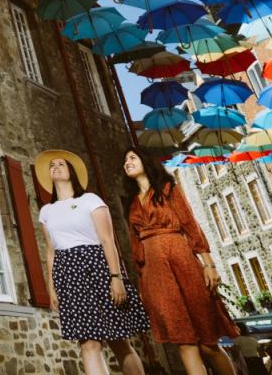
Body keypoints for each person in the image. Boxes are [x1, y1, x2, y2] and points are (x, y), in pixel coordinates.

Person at [122, 149, 238, 375]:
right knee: (184, 343)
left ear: (146, 161)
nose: (127, 162)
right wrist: (143, 281)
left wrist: (208, 264)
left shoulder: (169, 189)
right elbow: (135, 244)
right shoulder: (131, 203)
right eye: (125, 160)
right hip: (156, 274)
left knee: (208, 344)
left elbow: (190, 225)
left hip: (182, 261)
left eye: (132, 158)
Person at [35, 149, 151, 375]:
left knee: (119, 340)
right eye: (52, 166)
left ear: (72, 172)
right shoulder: (46, 211)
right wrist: (51, 287)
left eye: (61, 164)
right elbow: (50, 252)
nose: (55, 167)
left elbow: (108, 240)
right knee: (88, 343)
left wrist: (116, 278)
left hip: (98, 267)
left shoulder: (90, 200)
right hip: (67, 274)